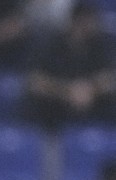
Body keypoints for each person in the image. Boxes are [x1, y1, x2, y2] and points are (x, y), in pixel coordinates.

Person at [23, 0, 116, 130]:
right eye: (86, 20)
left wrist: (90, 89)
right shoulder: (52, 43)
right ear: (75, 20)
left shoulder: (100, 44)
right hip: (55, 108)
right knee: (34, 102)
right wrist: (67, 92)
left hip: (92, 104)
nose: (92, 25)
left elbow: (109, 77)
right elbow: (35, 81)